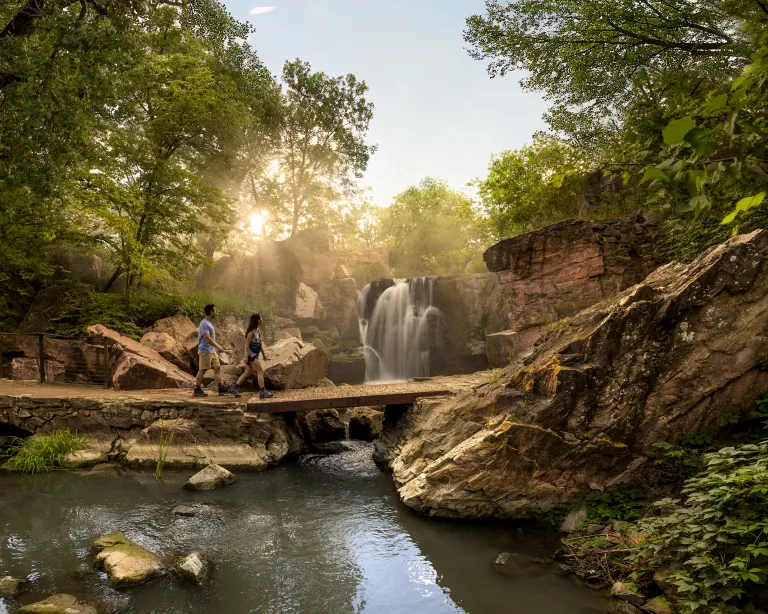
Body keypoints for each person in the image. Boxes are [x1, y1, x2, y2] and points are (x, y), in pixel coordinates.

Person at [230, 313, 273, 399]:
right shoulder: (251, 331)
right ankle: (263, 392)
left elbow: (260, 343)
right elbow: (247, 344)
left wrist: (264, 355)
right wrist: (246, 357)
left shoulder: (257, 330)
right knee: (260, 371)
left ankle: (234, 388)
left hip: (255, 355)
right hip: (251, 356)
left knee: (247, 373)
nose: (262, 319)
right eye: (261, 318)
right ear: (257, 320)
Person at [193, 304, 231, 397]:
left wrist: (215, 348)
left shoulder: (209, 323)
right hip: (205, 350)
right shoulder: (204, 323)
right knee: (203, 370)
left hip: (212, 350)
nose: (216, 312)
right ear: (211, 312)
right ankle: (197, 389)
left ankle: (221, 388)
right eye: (215, 311)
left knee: (217, 368)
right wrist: (218, 346)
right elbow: (207, 337)